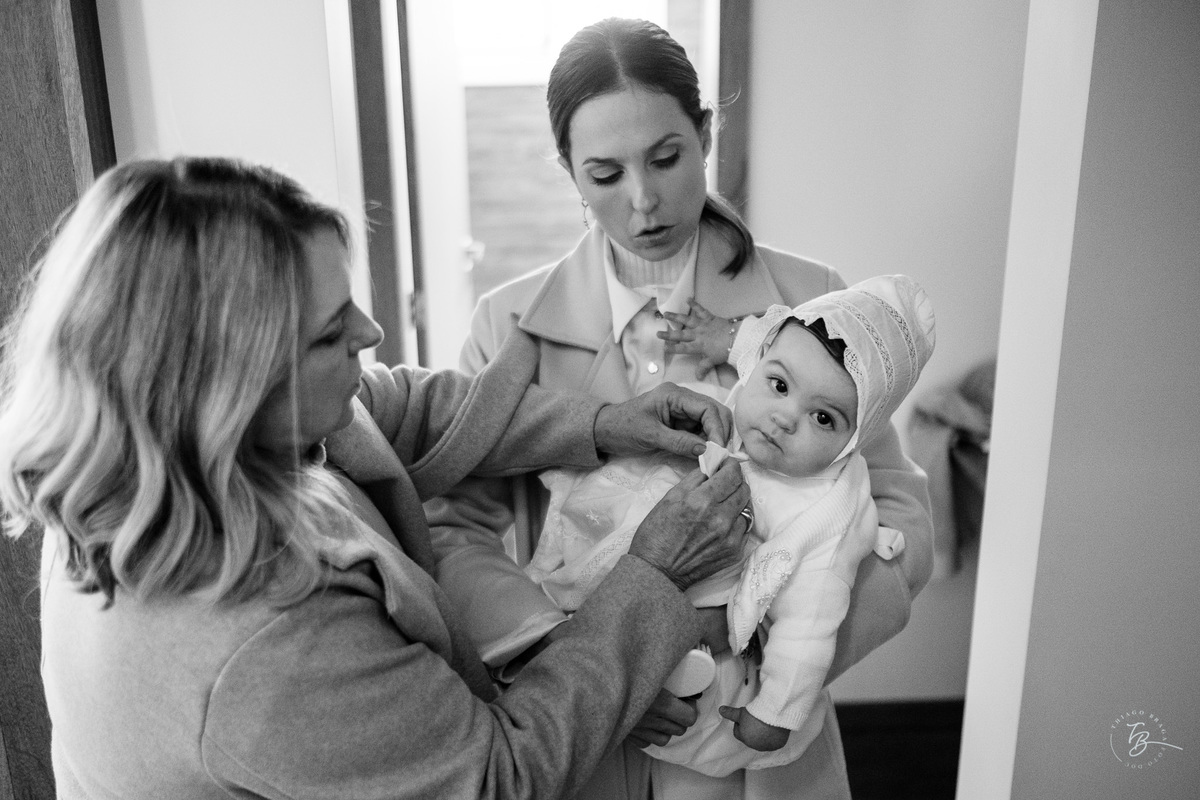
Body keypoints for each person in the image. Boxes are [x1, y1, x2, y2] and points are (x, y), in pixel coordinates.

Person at [0, 156, 755, 799]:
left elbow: (397, 408)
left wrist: (599, 424)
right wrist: (651, 573)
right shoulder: (267, 639)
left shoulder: (166, 450)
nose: (372, 332)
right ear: (229, 385)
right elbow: (496, 779)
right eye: (332, 334)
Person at [425, 17, 936, 800]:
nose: (644, 201)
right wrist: (589, 667)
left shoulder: (813, 300)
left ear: (704, 134)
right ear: (568, 171)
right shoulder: (505, 325)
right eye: (603, 174)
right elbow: (454, 529)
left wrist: (769, 673)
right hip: (581, 745)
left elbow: (898, 508)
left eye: (667, 158)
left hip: (762, 755)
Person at [526, 275, 936, 779]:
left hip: (730, 605)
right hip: (645, 544)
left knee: (708, 643)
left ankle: (666, 672)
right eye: (779, 387)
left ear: (856, 440)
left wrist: (775, 712)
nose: (785, 418)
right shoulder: (750, 391)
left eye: (823, 419)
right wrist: (719, 336)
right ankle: (587, 634)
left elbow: (810, 625)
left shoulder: (826, 510)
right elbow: (757, 346)